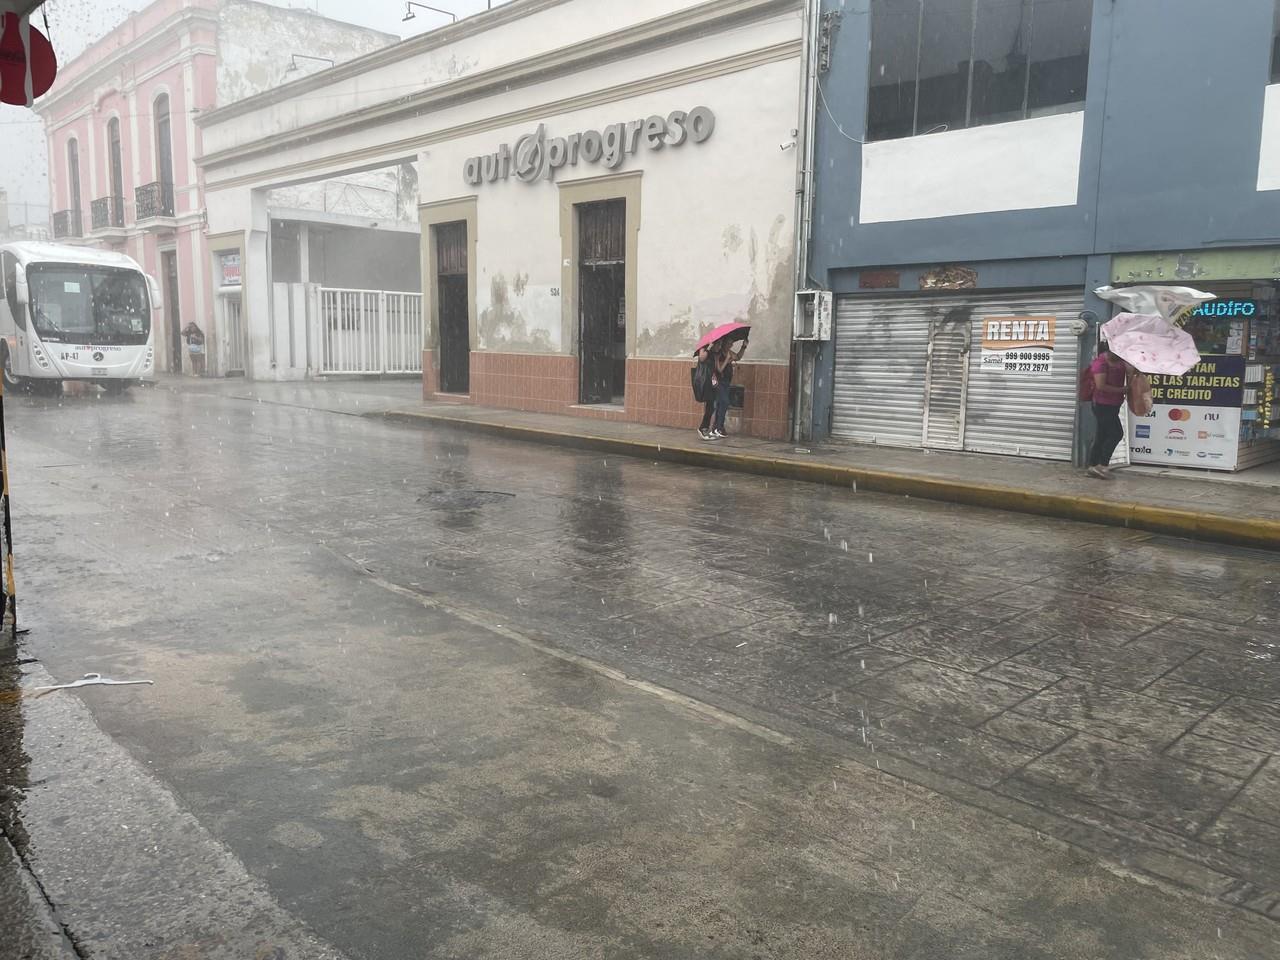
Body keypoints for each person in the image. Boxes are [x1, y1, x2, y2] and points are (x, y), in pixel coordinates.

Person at [1086, 343, 1130, 479]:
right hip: (1102, 404)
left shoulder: (1120, 361)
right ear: (1111, 350)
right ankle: (1102, 465)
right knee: (1116, 433)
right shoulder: (1101, 363)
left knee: (1102, 435)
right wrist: (1122, 390)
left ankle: (1092, 466)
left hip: (1114, 404)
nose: (1120, 356)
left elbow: (1130, 371)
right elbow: (1101, 386)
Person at [697, 336, 747, 440]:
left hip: (725, 382)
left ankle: (715, 427)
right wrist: (727, 360)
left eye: (731, 343)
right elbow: (718, 369)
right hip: (718, 382)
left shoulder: (727, 352)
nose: (731, 345)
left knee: (717, 404)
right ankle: (715, 427)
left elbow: (737, 357)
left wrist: (743, 347)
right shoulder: (717, 354)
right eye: (729, 343)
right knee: (722, 402)